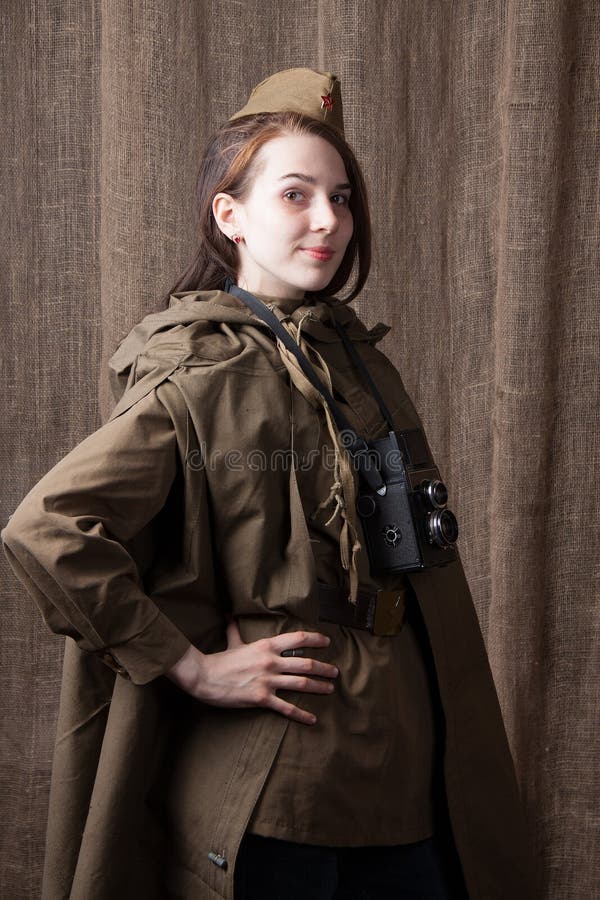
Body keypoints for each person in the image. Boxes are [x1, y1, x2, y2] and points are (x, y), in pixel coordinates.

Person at [2, 68, 537, 899]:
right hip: (283, 794)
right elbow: (48, 528)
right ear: (231, 215)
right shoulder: (200, 371)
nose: (329, 220)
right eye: (296, 194)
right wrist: (188, 666)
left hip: (412, 779)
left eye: (343, 196)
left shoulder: (362, 362)